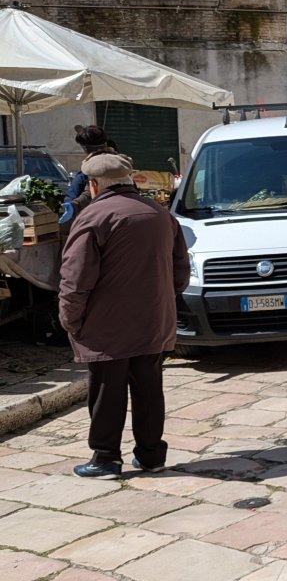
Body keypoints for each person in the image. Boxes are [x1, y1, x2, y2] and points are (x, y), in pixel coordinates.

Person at [59, 152, 190, 479]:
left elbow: (76, 280)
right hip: (153, 321)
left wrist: (70, 320)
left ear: (93, 184)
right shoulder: (159, 214)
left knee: (107, 392)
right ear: (129, 179)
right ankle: (151, 456)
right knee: (149, 390)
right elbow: (181, 273)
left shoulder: (92, 218)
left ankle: (105, 459)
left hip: (107, 325)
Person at [61, 124, 118, 225]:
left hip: (105, 220)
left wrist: (73, 205)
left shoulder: (92, 169)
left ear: (85, 149)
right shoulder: (121, 164)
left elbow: (88, 194)